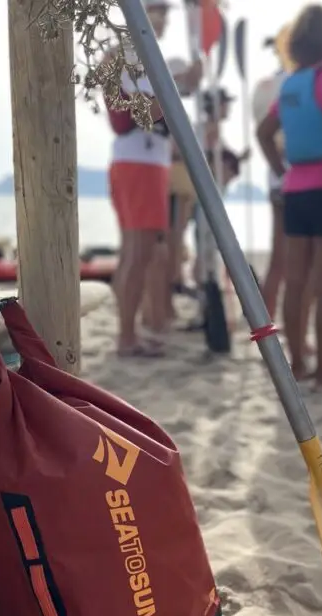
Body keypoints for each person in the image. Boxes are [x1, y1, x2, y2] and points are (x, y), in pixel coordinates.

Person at [256, 4, 322, 391]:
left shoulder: (291, 83)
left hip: (296, 190)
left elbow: (264, 132)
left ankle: (297, 363)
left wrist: (283, 171)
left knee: (295, 280)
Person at [107, 0, 200, 357]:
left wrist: (186, 82)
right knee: (139, 252)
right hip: (139, 161)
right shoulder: (128, 55)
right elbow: (135, 113)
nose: (163, 18)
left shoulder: (146, 58)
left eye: (165, 10)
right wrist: (177, 84)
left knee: (137, 252)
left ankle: (130, 332)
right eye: (157, 9)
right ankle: (127, 336)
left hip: (146, 162)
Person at [252, 34, 291, 320]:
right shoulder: (295, 83)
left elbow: (263, 130)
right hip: (295, 175)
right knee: (296, 262)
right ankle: (281, 325)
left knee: (279, 257)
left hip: (276, 176)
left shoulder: (265, 86)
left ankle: (266, 320)